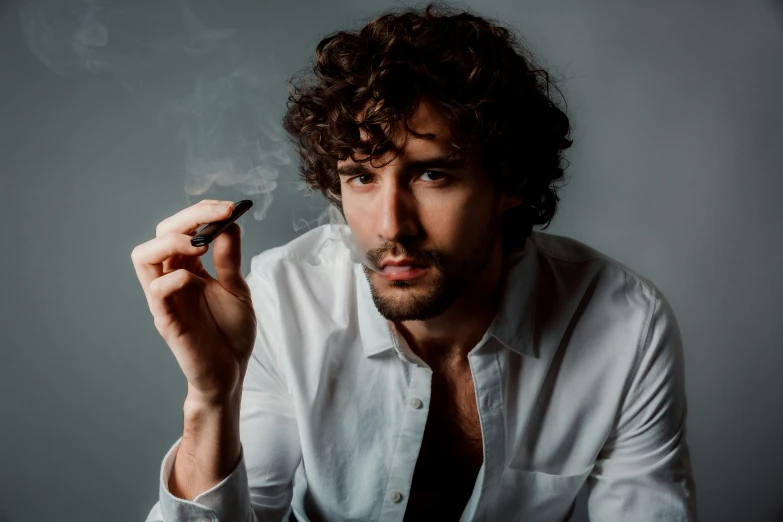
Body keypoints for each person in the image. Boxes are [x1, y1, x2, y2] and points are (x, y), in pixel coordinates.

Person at [134, 4, 698, 521]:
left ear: (512, 180)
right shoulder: (283, 301)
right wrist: (212, 397)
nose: (390, 225)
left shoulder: (624, 326)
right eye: (361, 177)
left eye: (432, 174)